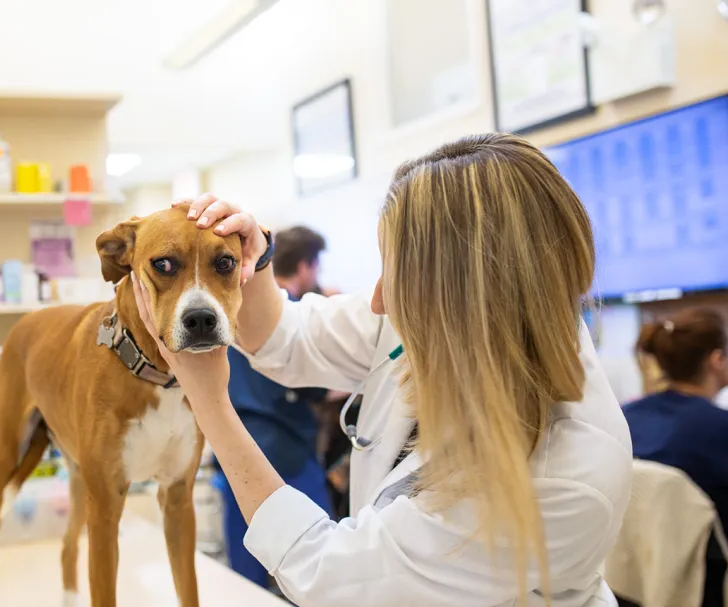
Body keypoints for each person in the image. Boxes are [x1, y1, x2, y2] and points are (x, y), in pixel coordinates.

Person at [131, 133, 632, 606]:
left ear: (468, 295)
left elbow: (329, 578)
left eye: (399, 274)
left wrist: (210, 404)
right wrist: (254, 260)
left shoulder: (566, 474)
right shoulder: (436, 324)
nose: (376, 299)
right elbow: (285, 339)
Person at [213, 226, 335, 590]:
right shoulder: (292, 313)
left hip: (235, 453)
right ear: (305, 266)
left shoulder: (231, 307)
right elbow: (316, 386)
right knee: (320, 570)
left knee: (244, 578)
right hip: (288, 456)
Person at [622, 308, 728, 607]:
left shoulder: (623, 420)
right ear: (717, 359)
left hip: (623, 585)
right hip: (704, 587)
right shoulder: (720, 429)